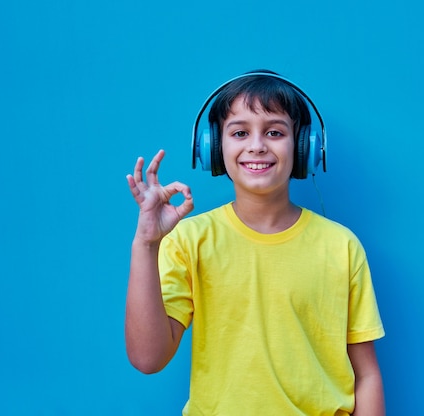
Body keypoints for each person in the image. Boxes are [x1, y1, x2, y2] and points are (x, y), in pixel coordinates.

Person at [125, 70, 385, 415]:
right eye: (240, 132)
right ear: (214, 148)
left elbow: (366, 375)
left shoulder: (341, 245)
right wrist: (146, 243)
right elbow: (147, 358)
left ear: (304, 146)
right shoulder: (189, 239)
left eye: (275, 132)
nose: (257, 145)